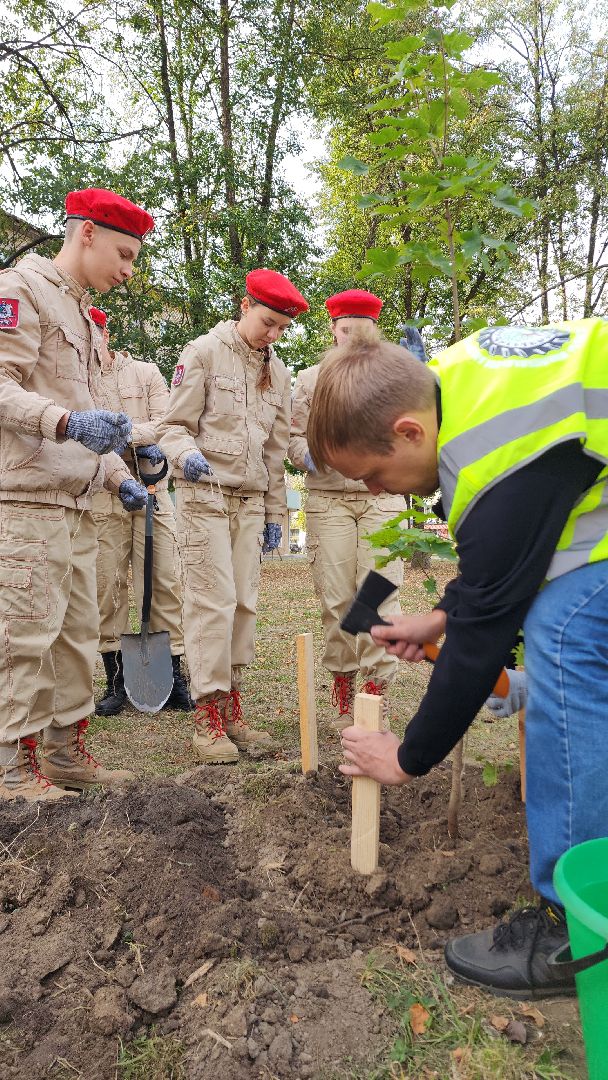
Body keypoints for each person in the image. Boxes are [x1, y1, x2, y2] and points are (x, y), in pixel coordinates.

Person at [306, 322, 608, 999]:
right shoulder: (461, 383)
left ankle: (576, 932)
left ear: (409, 431)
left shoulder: (496, 452)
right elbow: (502, 565)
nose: (387, 492)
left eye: (377, 473)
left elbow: (483, 640)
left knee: (561, 635)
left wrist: (408, 757)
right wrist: (447, 613)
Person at [0, 187, 153, 801]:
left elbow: (94, 416)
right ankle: (11, 767)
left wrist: (123, 479)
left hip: (78, 504)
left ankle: (63, 752)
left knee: (76, 638)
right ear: (84, 233)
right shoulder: (21, 290)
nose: (128, 271)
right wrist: (62, 424)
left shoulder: (85, 317)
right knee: (24, 636)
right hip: (27, 500)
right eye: (124, 254)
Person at [158, 269, 308, 763]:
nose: (273, 335)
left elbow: (275, 451)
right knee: (213, 602)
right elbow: (172, 427)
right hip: (204, 495)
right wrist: (186, 458)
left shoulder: (278, 373)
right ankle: (206, 713)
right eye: (268, 323)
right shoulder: (202, 353)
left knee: (244, 603)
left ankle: (231, 700)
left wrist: (273, 512)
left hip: (247, 502)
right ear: (245, 306)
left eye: (282, 329)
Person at [288, 289, 406, 728]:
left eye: (363, 331)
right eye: (345, 331)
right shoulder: (310, 379)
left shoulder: (395, 378)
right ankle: (343, 689)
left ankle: (375, 696)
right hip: (329, 498)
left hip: (382, 497)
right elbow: (293, 437)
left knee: (378, 594)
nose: (353, 339)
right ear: (332, 330)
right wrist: (312, 456)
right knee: (337, 599)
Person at [88, 307, 191, 715]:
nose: (92, 342)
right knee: (106, 585)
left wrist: (123, 434)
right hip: (102, 491)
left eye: (97, 334)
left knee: (165, 579)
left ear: (107, 334)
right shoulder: (81, 380)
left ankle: (173, 672)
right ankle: (115, 679)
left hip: (152, 489)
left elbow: (165, 422)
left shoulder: (146, 374)